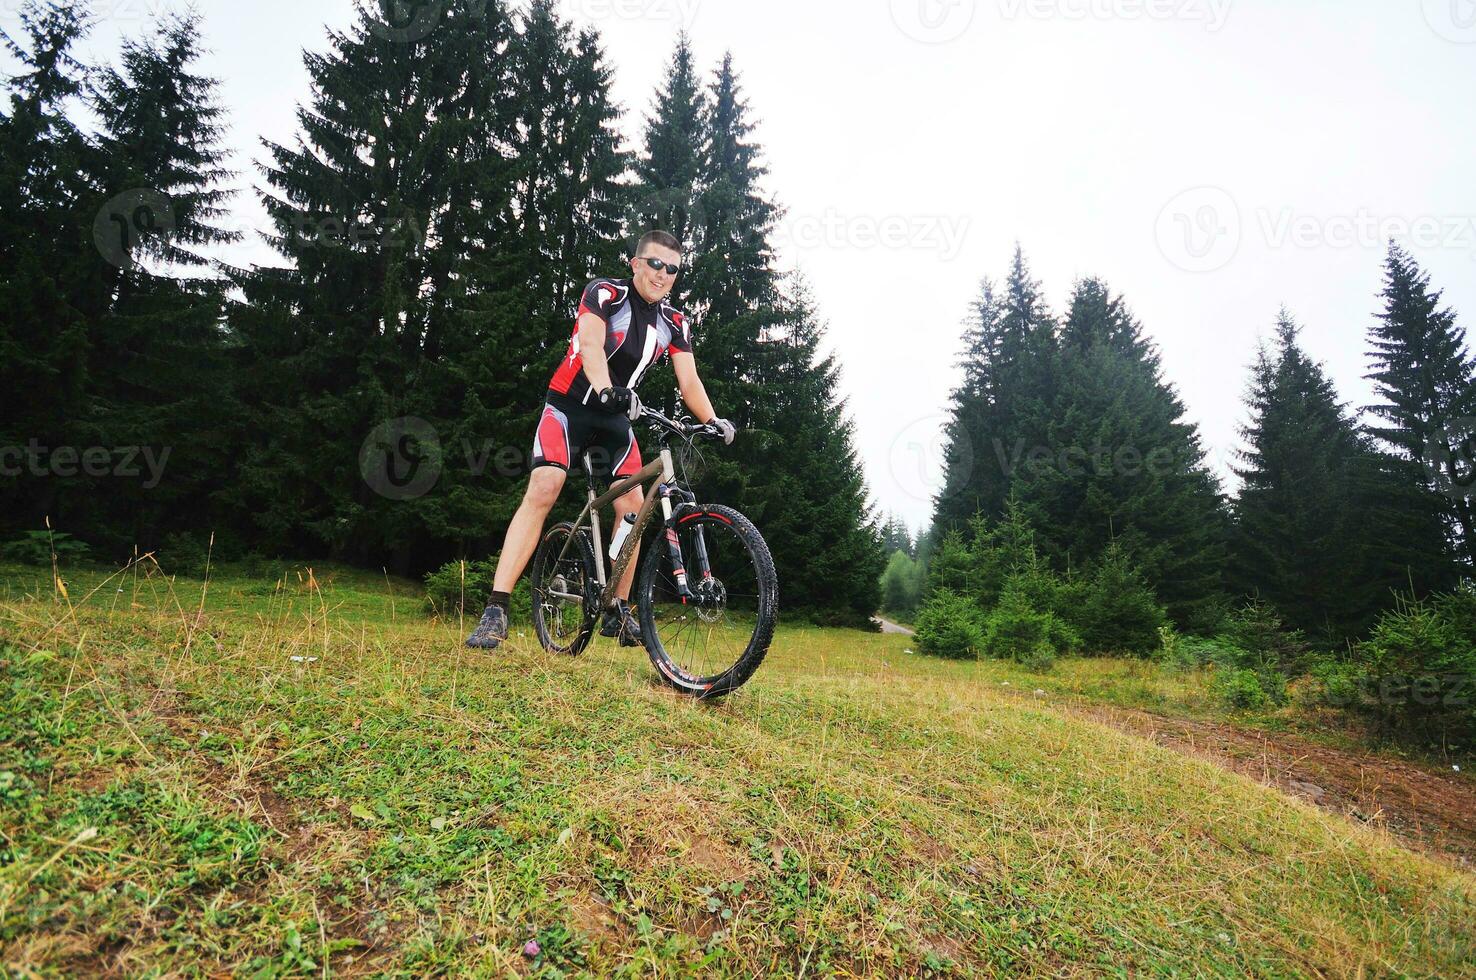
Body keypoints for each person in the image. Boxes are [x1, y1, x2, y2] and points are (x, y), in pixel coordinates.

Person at [466, 230, 736, 650]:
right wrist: (606, 387)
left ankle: (619, 609)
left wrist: (713, 419)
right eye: (655, 264)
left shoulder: (674, 323)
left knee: (634, 504)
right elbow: (591, 344)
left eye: (673, 269)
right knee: (545, 487)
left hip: (615, 416)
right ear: (636, 264)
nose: (663, 275)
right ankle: (496, 609)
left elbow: (690, 380)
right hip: (570, 405)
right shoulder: (606, 294)